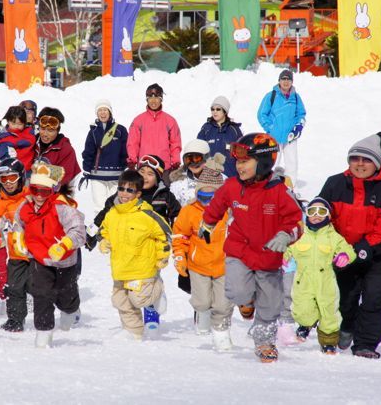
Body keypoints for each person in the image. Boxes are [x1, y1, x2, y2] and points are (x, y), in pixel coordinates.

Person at [202, 132, 303, 362]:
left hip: (269, 255)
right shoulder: (231, 186)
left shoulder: (279, 191)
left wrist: (286, 235)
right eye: (237, 161)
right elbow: (217, 206)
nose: (239, 166)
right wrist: (207, 223)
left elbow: (297, 221)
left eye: (245, 161)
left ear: (265, 162)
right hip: (240, 250)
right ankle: (246, 302)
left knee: (270, 305)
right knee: (237, 291)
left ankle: (265, 341)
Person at [319, 133, 381, 359]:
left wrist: (366, 246)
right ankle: (347, 326)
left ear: (376, 163)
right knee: (345, 298)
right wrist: (333, 245)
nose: (360, 164)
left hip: (376, 255)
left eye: (366, 160)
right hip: (343, 254)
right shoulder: (335, 183)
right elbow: (322, 216)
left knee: (374, 298)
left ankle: (365, 343)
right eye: (355, 159)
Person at [12, 162, 85, 348]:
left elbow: (79, 231)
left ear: (52, 190)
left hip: (64, 262)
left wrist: (64, 244)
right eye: (35, 189)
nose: (38, 195)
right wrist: (18, 236)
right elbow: (18, 223)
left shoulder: (62, 208)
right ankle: (43, 333)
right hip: (39, 258)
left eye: (44, 191)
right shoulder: (25, 207)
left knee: (65, 297)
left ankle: (71, 309)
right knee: (41, 294)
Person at [99, 169, 171, 340]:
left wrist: (163, 256)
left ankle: (158, 291)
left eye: (130, 190)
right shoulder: (112, 213)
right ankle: (134, 333)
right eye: (121, 188)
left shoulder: (146, 214)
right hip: (121, 267)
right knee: (120, 301)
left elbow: (164, 235)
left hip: (142, 268)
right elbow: (105, 230)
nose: (124, 193)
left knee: (139, 299)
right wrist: (104, 241)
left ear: (138, 194)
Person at [283, 197, 356, 354]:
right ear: (306, 214)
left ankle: (328, 342)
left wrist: (344, 256)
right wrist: (282, 258)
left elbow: (348, 250)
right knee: (302, 310)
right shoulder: (300, 235)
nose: (316, 215)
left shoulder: (333, 237)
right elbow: (287, 248)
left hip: (326, 281)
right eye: (312, 211)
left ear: (329, 216)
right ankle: (306, 323)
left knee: (329, 312)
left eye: (321, 211)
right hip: (304, 280)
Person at [173, 171, 234, 350]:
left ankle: (221, 332)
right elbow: (180, 235)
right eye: (202, 196)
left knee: (223, 303)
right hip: (198, 265)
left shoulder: (229, 212)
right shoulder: (190, 211)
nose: (207, 202)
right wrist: (179, 255)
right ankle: (203, 317)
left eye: (211, 197)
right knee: (201, 302)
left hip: (224, 264)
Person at [0, 159, 31, 332]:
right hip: (16, 254)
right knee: (14, 287)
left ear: (21, 177)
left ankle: (63, 310)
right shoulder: (0, 203)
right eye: (3, 179)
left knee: (42, 287)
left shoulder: (32, 196)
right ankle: (15, 320)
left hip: (37, 252)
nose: (8, 183)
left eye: (12, 178)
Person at [257, 70, 306, 184]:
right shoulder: (271, 96)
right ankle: (269, 186)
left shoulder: (296, 97)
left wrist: (298, 127)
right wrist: (270, 128)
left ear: (292, 82)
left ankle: (290, 188)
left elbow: (301, 114)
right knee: (273, 162)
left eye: (288, 79)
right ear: (279, 81)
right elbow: (261, 114)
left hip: (290, 137)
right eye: (283, 79)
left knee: (292, 163)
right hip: (274, 137)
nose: (286, 82)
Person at [127, 83, 182, 185]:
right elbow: (133, 142)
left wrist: (175, 161)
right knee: (144, 197)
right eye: (150, 97)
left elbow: (175, 143)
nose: (153, 100)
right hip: (145, 167)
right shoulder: (138, 120)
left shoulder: (170, 121)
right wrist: (132, 160)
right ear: (147, 99)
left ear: (161, 99)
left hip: (164, 168)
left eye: (157, 97)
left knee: (163, 197)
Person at [81, 99, 128, 214]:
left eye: (105, 110)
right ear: (97, 113)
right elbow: (88, 151)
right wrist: (87, 168)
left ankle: (115, 229)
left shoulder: (120, 130)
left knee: (116, 204)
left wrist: (125, 166)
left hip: (116, 175)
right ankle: (100, 230)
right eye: (100, 110)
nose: (103, 113)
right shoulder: (93, 131)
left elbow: (125, 150)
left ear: (110, 112)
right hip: (97, 174)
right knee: (99, 206)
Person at [197, 96, 243, 178]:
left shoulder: (234, 130)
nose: (215, 112)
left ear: (225, 111)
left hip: (231, 177)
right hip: (210, 178)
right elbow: (198, 151)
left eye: (218, 109)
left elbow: (242, 154)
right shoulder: (206, 129)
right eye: (212, 109)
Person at [34, 107, 81, 186]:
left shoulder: (66, 149)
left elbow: (65, 175)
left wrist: (39, 169)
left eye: (50, 130)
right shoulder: (32, 143)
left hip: (59, 191)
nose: (45, 134)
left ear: (57, 130)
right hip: (34, 189)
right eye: (42, 129)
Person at [169, 139, 224, 206]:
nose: (193, 164)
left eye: (197, 159)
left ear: (206, 158)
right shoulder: (178, 185)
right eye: (189, 160)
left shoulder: (221, 181)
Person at [0, 106, 36, 171]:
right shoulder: (3, 135)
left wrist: (10, 142)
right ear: (8, 121)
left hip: (26, 169)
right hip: (10, 169)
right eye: (13, 123)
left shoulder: (28, 132)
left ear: (24, 123)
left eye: (20, 124)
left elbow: (29, 141)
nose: (16, 126)